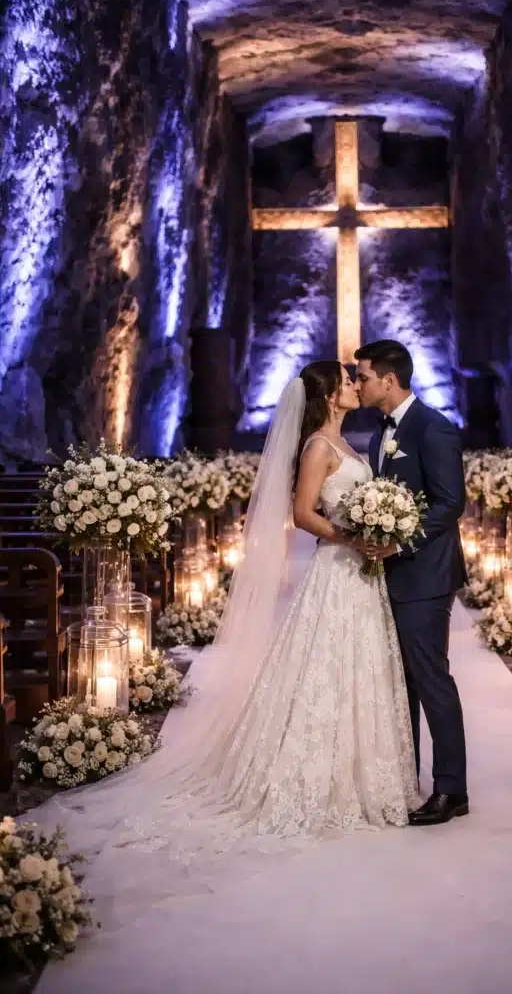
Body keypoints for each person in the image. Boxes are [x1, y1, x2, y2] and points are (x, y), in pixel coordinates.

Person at [35, 361, 419, 918]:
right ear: (328, 395)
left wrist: (376, 530)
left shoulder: (345, 442)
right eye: (346, 380)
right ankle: (313, 777)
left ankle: (364, 772)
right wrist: (352, 537)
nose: (354, 385)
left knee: (359, 667)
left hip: (360, 575)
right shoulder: (318, 446)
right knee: (326, 667)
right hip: (338, 569)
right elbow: (302, 514)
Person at [355, 339, 469, 825]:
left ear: (388, 379)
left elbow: (450, 503)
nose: (357, 385)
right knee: (400, 682)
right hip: (392, 576)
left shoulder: (433, 427)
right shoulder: (380, 433)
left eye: (362, 377)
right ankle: (408, 777)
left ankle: (452, 790)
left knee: (430, 678)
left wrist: (400, 544)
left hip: (425, 575)